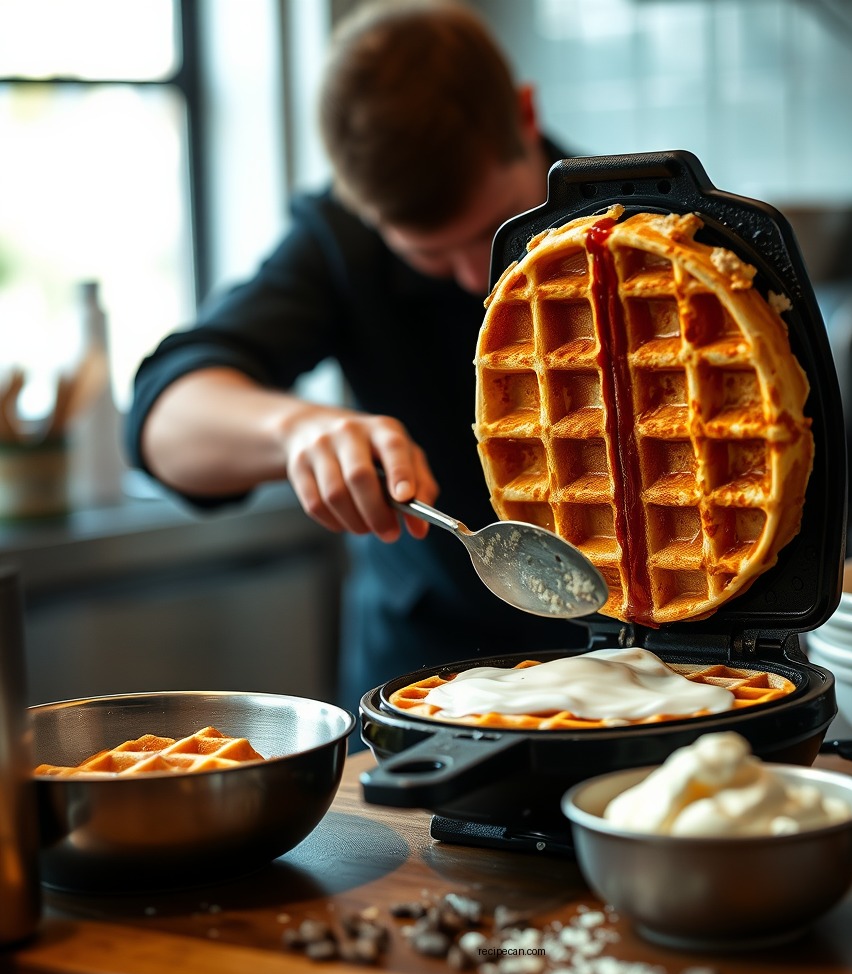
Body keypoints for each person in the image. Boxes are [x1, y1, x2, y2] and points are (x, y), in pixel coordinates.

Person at [125, 0, 587, 725]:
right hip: (427, 688)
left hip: (638, 667)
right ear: (364, 206)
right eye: (430, 253)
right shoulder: (341, 244)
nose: (477, 278)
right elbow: (163, 418)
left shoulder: (631, 221)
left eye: (492, 232)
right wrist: (296, 432)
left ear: (525, 116)